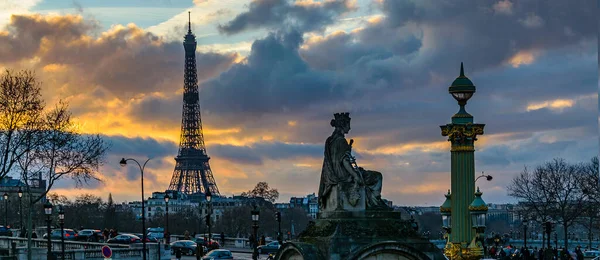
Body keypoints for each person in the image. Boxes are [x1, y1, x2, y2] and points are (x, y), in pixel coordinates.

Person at [318, 112, 389, 210]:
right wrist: (356, 176)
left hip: (333, 175)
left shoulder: (331, 141)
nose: (350, 128)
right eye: (348, 125)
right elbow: (345, 162)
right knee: (377, 176)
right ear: (343, 125)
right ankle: (375, 202)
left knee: (363, 172)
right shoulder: (341, 141)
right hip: (344, 175)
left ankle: (373, 201)